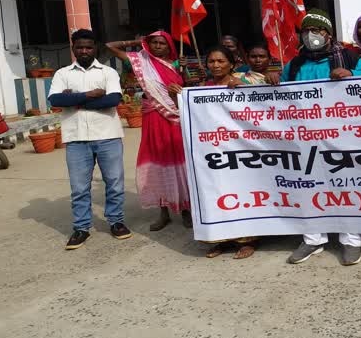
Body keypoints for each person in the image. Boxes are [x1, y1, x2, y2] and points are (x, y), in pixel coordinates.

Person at [281, 9, 361, 266]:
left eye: (318, 31)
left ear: (329, 34)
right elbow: (279, 93)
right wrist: (271, 81)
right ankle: (313, 239)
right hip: (305, 137)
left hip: (344, 135)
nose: (312, 36)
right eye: (306, 31)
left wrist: (352, 75)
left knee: (347, 184)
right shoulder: (295, 63)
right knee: (308, 185)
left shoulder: (350, 57)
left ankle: (351, 240)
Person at [48, 29, 131, 250]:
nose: (84, 51)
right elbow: (55, 99)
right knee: (79, 188)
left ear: (95, 48)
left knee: (114, 183)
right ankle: (81, 228)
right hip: (76, 138)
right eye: (79, 47)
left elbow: (113, 99)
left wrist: (73, 100)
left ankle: (116, 222)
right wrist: (88, 95)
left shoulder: (108, 72)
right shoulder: (62, 73)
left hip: (108, 136)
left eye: (88, 47)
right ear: (73, 48)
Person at [107, 32, 192, 231]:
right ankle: (163, 212)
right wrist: (137, 42)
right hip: (153, 116)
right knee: (157, 161)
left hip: (175, 117)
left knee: (179, 160)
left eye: (162, 42)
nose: (157, 46)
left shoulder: (176, 65)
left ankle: (186, 210)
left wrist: (184, 69)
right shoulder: (139, 61)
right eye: (153, 42)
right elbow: (110, 45)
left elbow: (185, 88)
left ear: (169, 45)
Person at [199, 45, 259, 259]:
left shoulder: (244, 81)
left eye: (221, 61)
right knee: (217, 192)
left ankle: (247, 240)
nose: (215, 65)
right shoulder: (202, 88)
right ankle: (219, 240)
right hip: (214, 149)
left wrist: (243, 87)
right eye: (212, 62)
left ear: (231, 64)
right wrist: (177, 94)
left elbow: (261, 107)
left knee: (242, 192)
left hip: (241, 149)